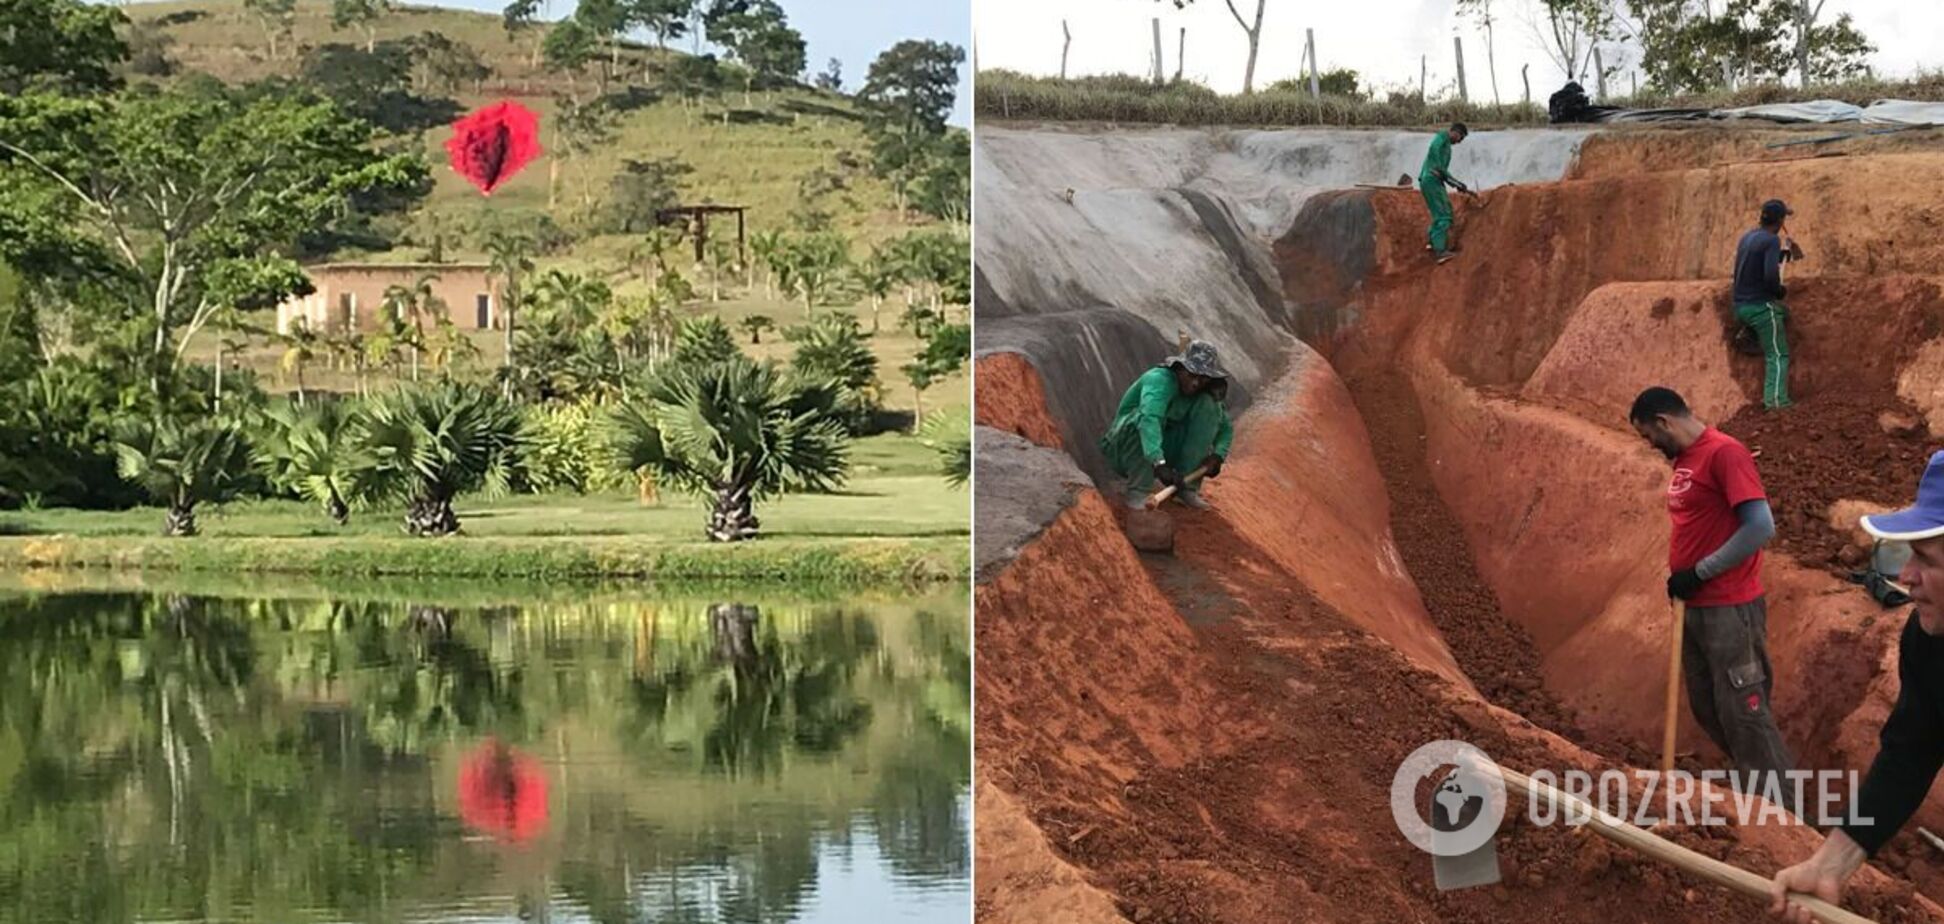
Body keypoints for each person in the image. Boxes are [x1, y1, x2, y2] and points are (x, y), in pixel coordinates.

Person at [1769, 450, 1944, 922]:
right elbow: (1910, 753)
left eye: (1925, 559)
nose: (1905, 577)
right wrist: (1829, 865)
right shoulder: (1928, 642)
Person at [1629, 387, 1797, 805]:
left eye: (1649, 434)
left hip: (1730, 606)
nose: (1650, 444)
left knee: (1745, 710)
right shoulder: (1687, 460)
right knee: (1708, 707)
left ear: (1665, 422)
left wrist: (1700, 572)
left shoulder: (1725, 453)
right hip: (1695, 605)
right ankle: (1756, 786)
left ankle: (1785, 813)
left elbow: (1760, 527)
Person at [1099, 339, 1234, 511]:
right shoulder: (1159, 381)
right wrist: (1159, 462)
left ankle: (1186, 488)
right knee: (1144, 420)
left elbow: (1225, 429)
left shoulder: (1203, 394)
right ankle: (1138, 492)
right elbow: (1149, 420)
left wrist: (1218, 456)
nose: (1195, 383)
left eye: (1202, 379)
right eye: (1191, 375)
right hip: (1125, 447)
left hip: (1161, 448)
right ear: (1180, 368)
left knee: (1209, 407)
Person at [1734, 199, 1806, 410]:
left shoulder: (1748, 237)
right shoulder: (1771, 241)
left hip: (1740, 305)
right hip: (1760, 308)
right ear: (1780, 220)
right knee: (1777, 354)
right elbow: (1769, 275)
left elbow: (1754, 265)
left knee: (1783, 312)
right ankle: (1775, 402)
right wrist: (1777, 290)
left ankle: (1749, 332)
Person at [1419, 122, 1472, 264]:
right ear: (1455, 132)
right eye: (1460, 137)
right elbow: (1436, 158)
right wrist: (1454, 182)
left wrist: (1455, 183)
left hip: (1431, 180)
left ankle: (1433, 242)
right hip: (1432, 181)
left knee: (1440, 212)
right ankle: (1440, 252)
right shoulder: (1441, 138)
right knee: (1445, 215)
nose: (1459, 141)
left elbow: (1442, 170)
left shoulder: (1446, 145)